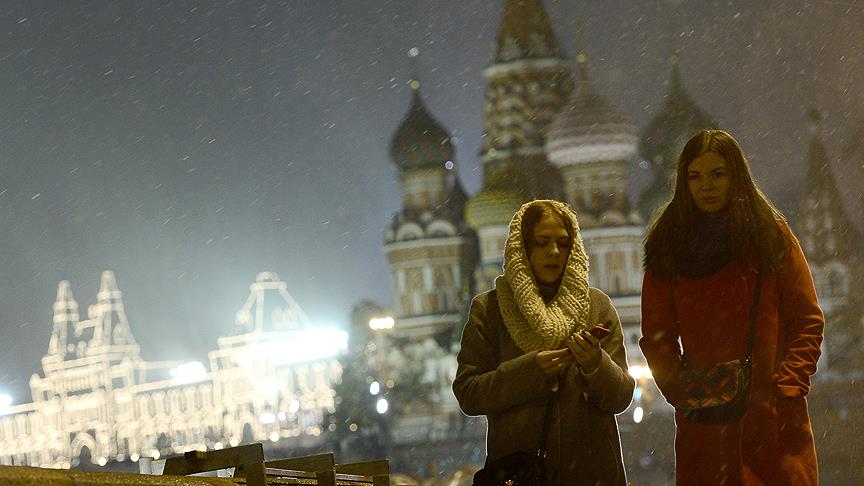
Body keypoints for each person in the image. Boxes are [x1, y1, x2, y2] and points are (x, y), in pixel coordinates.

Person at [640, 129, 823, 485]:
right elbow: (657, 336)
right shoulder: (669, 245)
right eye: (695, 176)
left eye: (717, 174)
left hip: (771, 419)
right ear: (683, 181)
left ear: (735, 175)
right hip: (707, 423)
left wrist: (787, 386)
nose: (706, 185)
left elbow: (807, 319)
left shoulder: (769, 235)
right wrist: (681, 391)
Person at [453, 199, 635, 485]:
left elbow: (621, 396)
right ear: (521, 248)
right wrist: (529, 371)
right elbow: (469, 394)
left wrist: (595, 364)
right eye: (541, 242)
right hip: (520, 473)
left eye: (563, 244)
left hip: (591, 474)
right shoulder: (491, 309)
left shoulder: (596, 306)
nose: (554, 252)